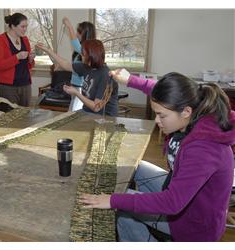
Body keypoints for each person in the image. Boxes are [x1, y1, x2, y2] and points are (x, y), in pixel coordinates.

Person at [79, 69, 235, 241]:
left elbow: (172, 202)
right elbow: (158, 92)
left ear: (186, 111)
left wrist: (112, 200)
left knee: (121, 210)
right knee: (136, 167)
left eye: (162, 115)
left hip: (193, 226)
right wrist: (129, 79)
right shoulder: (194, 111)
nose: (157, 120)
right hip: (184, 195)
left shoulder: (204, 148)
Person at [36, 39, 118, 117]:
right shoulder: (86, 66)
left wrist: (76, 93)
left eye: (83, 54)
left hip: (103, 117)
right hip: (87, 112)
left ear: (91, 56)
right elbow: (66, 65)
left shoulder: (105, 75)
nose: (81, 56)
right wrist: (48, 51)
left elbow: (96, 107)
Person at [0, 13, 35, 107]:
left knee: (25, 117)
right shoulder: (0, 40)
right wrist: (17, 57)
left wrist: (31, 59)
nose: (25, 29)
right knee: (9, 117)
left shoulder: (25, 40)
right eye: (22, 26)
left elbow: (29, 65)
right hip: (8, 87)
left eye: (26, 26)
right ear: (13, 26)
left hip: (25, 85)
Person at [61, 17, 96, 112]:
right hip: (75, 87)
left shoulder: (87, 51)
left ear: (85, 35)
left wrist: (69, 27)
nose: (76, 34)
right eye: (76, 32)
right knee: (72, 113)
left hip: (81, 89)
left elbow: (76, 44)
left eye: (79, 32)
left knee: (73, 115)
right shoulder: (79, 52)